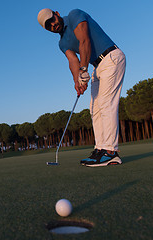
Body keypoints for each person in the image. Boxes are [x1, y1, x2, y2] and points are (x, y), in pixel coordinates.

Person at [37, 8, 126, 167]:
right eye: (48, 26)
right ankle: (100, 149)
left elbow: (84, 41)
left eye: (52, 20)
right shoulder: (62, 43)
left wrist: (83, 71)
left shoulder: (74, 15)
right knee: (94, 109)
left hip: (110, 57)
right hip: (97, 67)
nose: (53, 25)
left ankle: (111, 152)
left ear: (56, 14)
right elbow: (72, 61)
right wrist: (77, 81)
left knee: (106, 104)